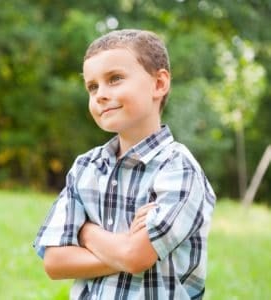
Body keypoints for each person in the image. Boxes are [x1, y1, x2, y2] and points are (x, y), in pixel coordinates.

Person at [33, 29, 216, 299]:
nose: (100, 95)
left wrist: (84, 233)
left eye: (115, 79)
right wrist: (124, 248)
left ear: (158, 84)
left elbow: (136, 257)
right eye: (92, 87)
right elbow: (55, 262)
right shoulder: (86, 167)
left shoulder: (178, 168)